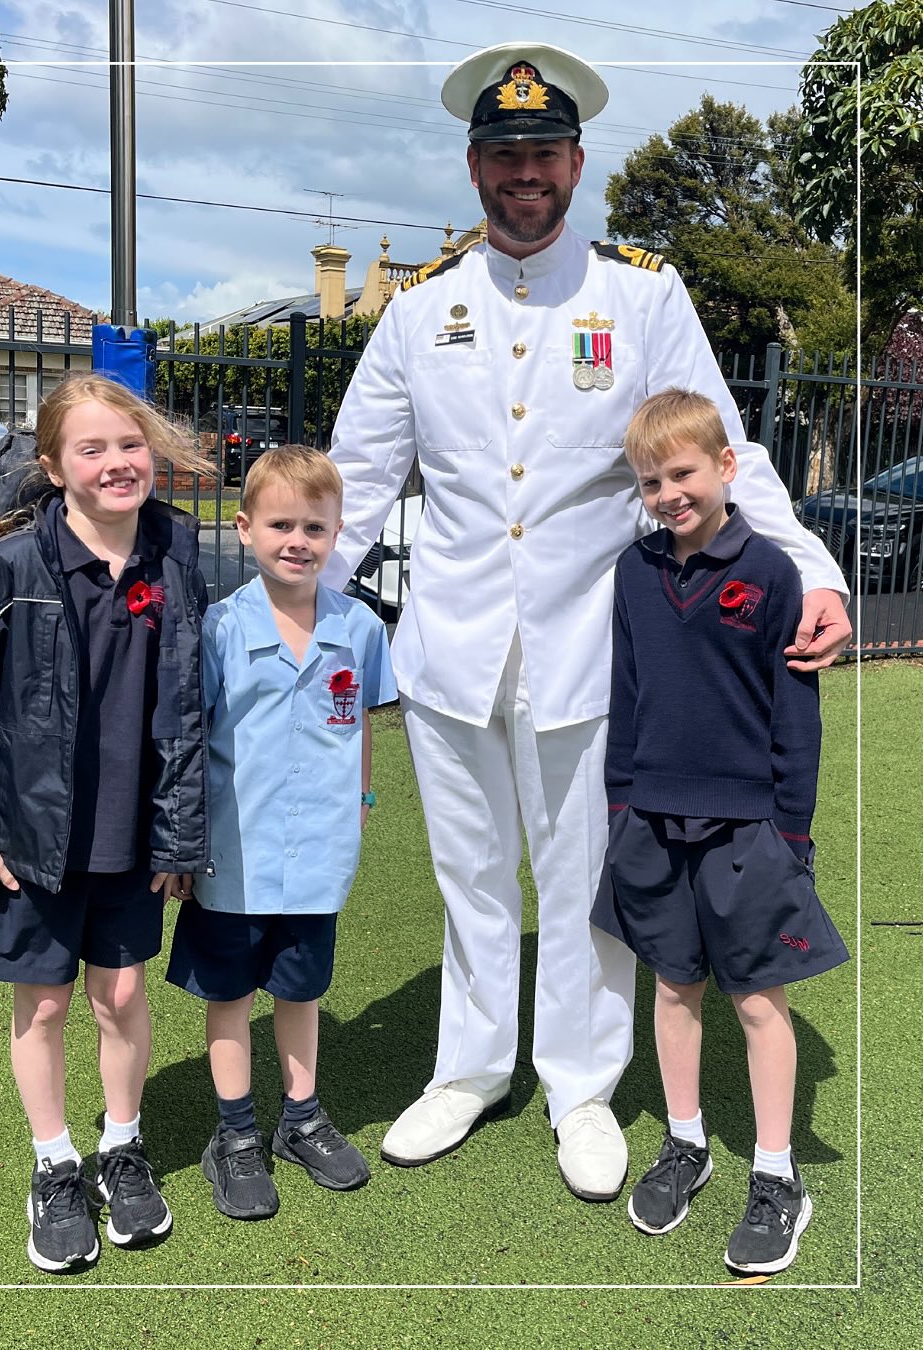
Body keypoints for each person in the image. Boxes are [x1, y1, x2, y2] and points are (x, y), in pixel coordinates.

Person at [319, 41, 851, 1202]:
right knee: (470, 877)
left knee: (584, 882)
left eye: (545, 153)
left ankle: (581, 1086)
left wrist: (813, 567)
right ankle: (467, 1070)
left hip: (596, 649)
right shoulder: (421, 313)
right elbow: (356, 479)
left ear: (575, 162)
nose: (526, 174)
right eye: (506, 155)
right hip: (454, 644)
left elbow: (721, 450)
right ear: (474, 166)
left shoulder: (642, 293)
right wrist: (285, 613)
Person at [0, 373, 209, 1274]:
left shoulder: (178, 555)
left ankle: (124, 1146)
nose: (117, 464)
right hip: (34, 839)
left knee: (121, 996)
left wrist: (181, 833)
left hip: (136, 836)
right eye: (93, 449)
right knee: (42, 1004)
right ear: (53, 465)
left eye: (130, 445)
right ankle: (54, 1164)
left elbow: (191, 707)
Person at [590, 388, 849, 1273]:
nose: (669, 492)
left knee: (755, 1000)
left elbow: (794, 715)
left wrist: (794, 831)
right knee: (672, 987)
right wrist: (621, 806)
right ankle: (686, 1143)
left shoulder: (774, 574)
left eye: (684, 472)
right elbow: (624, 699)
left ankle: (778, 1176)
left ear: (726, 467)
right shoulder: (633, 571)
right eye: (651, 480)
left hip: (751, 829)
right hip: (651, 820)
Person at [165, 445, 397, 1221]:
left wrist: (360, 800)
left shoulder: (359, 627)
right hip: (233, 852)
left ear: (337, 533)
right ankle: (234, 1134)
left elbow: (362, 722)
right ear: (245, 528)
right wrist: (187, 841)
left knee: (301, 990)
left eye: (314, 527)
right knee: (228, 993)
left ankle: (301, 1118)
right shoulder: (222, 628)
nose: (297, 541)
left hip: (319, 853)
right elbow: (193, 739)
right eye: (280, 525)